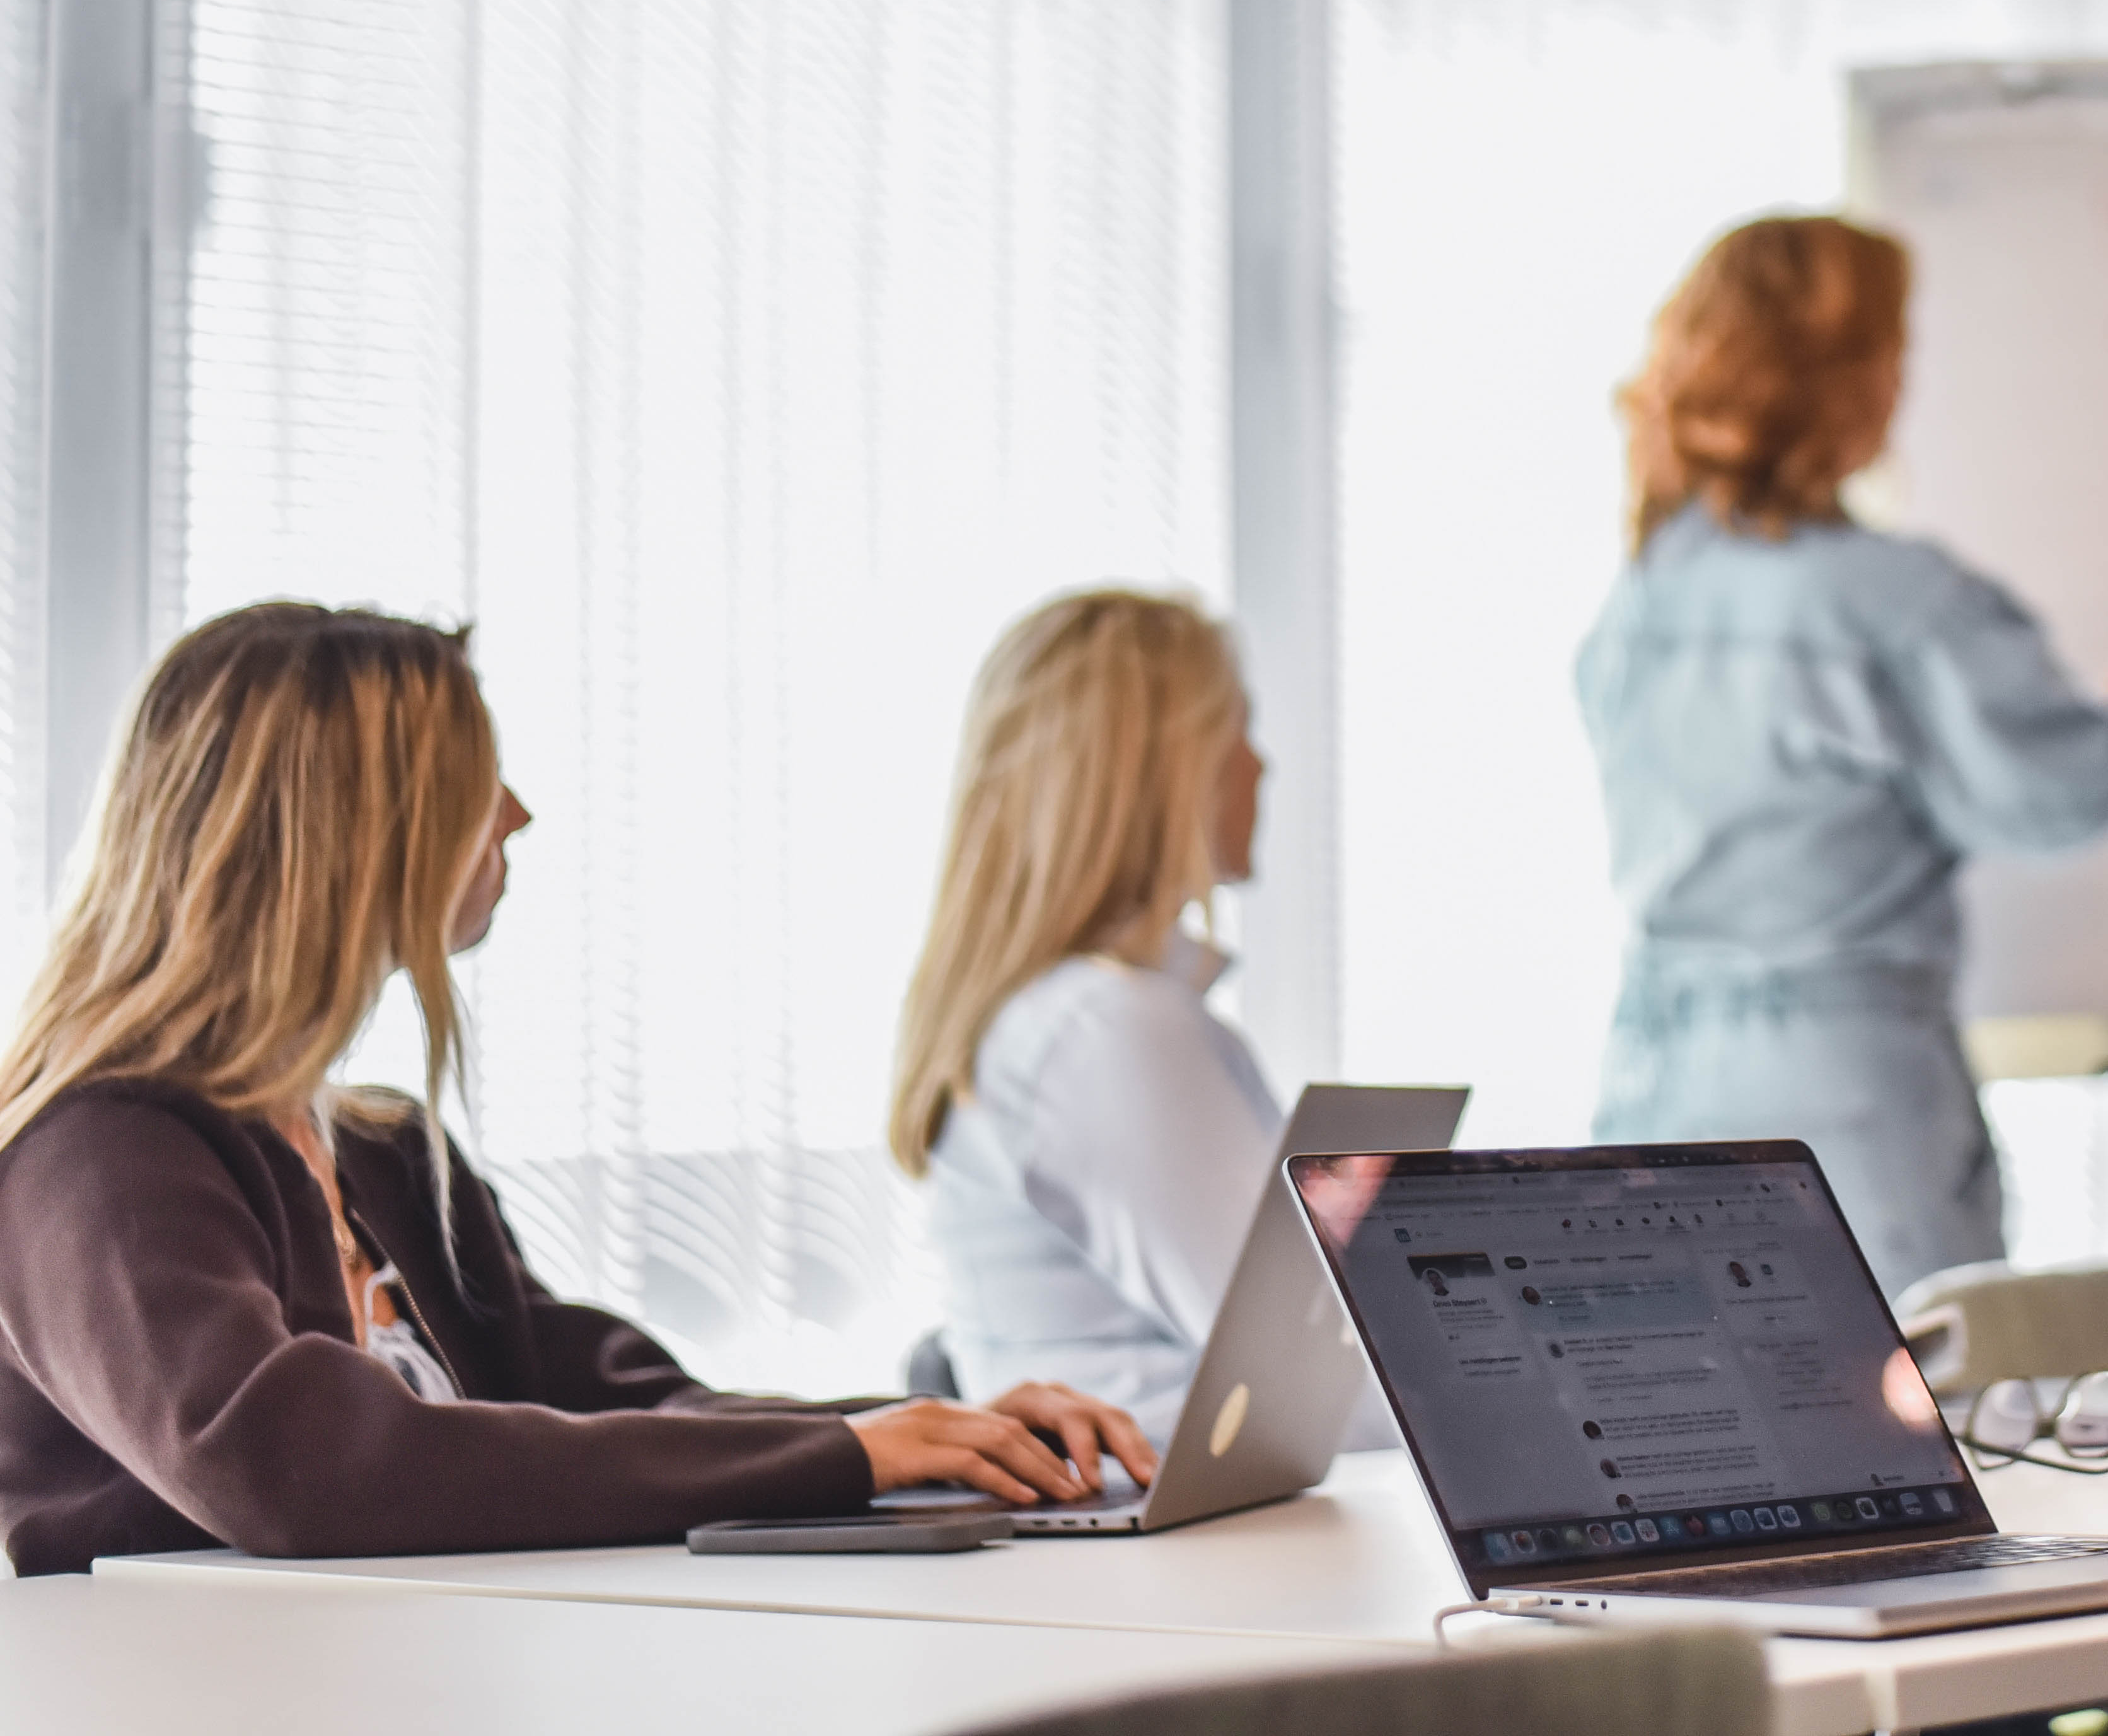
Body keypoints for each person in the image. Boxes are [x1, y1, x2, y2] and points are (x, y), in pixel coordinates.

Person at [0, 604, 1150, 1579]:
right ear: (353, 827)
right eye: (473, 781)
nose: (515, 814)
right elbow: (301, 1469)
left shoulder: (383, 1153)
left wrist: (914, 1434)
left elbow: (608, 1400)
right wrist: (851, 1457)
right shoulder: (100, 1152)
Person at [1579, 214, 2108, 1295]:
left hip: (1655, 1087)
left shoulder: (1641, 595)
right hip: (1846, 1112)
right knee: (1898, 1433)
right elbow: (2071, 785)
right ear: (1850, 384)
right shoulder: (1891, 602)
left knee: (1697, 1432)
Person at [890, 589, 1278, 1449]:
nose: (1263, 766)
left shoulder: (1072, 1016)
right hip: (1174, 1539)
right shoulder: (1105, 1029)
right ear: (1167, 772)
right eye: (1239, 733)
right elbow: (1302, 1374)